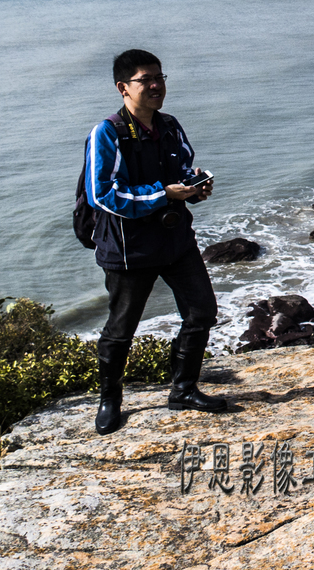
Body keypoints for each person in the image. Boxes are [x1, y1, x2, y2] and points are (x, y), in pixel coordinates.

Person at [84, 49, 227, 435]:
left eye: (160, 78)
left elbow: (182, 168)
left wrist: (194, 186)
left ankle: (183, 389)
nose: (155, 86)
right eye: (145, 80)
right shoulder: (108, 133)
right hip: (129, 249)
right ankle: (110, 401)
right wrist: (164, 194)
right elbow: (103, 195)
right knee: (121, 329)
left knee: (201, 312)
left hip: (175, 240)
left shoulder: (170, 125)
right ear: (123, 87)